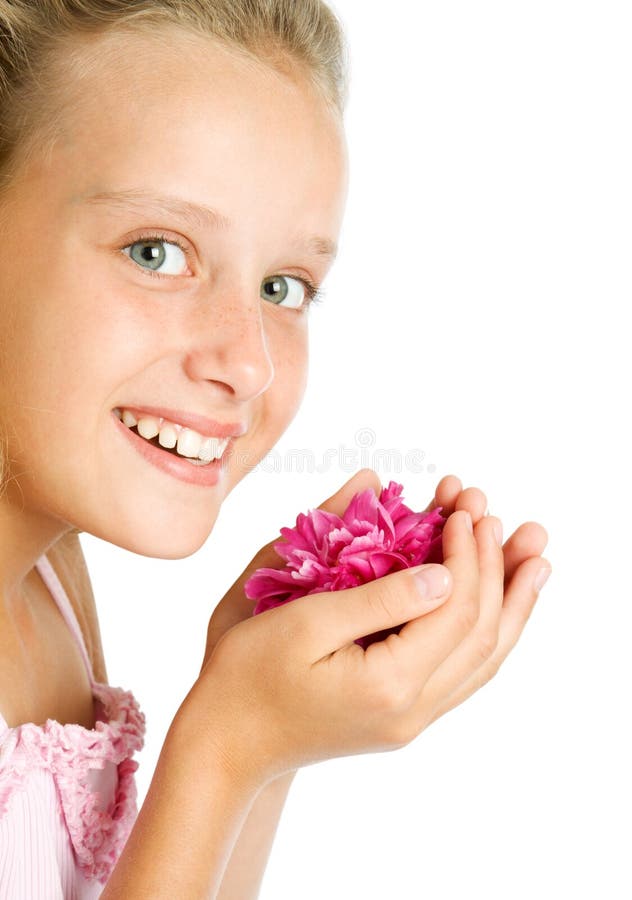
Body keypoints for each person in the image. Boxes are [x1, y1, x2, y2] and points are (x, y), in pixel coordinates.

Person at [0, 1, 551, 896]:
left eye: (282, 285)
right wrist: (224, 747)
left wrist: (262, 731)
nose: (248, 362)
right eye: (156, 252)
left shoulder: (46, 578)